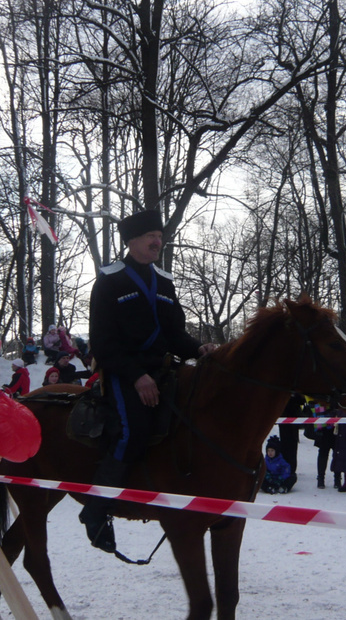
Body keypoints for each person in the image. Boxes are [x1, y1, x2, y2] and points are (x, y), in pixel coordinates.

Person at [82, 209, 218, 552]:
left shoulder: (165, 281)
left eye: (159, 235)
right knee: (133, 431)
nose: (158, 241)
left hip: (161, 370)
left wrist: (198, 348)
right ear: (131, 242)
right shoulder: (110, 280)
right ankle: (97, 509)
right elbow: (102, 341)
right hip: (123, 372)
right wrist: (136, 375)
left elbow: (175, 335)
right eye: (149, 236)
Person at [303, 400, 337, 489]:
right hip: (323, 425)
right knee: (324, 453)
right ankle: (321, 479)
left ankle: (337, 479)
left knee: (336, 453)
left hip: (334, 425)